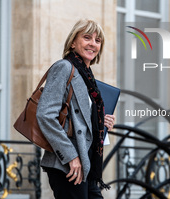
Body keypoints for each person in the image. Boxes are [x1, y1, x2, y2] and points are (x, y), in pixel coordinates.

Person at [36, 19, 115, 199]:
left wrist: (103, 121)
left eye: (97, 40)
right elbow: (45, 115)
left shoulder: (87, 76)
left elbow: (82, 119)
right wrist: (71, 157)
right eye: (87, 37)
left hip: (86, 162)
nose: (93, 44)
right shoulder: (64, 67)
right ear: (73, 42)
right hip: (68, 163)